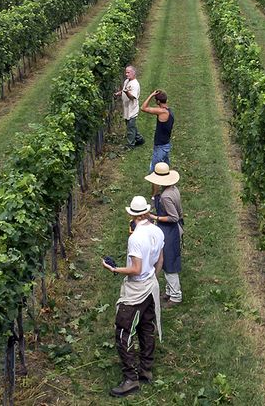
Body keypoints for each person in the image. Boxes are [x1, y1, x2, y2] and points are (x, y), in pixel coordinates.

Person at [103, 196, 165, 397]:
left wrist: (114, 269)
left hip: (136, 290)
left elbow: (136, 269)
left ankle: (130, 379)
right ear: (146, 212)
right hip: (150, 287)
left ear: (131, 214)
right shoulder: (157, 230)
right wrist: (152, 278)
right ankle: (146, 369)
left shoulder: (135, 238)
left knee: (123, 331)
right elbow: (160, 260)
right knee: (147, 327)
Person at [146, 162, 184, 305]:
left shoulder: (165, 197)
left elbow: (173, 217)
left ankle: (175, 295)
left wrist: (155, 217)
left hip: (169, 230)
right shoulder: (173, 189)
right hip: (172, 229)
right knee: (169, 260)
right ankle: (169, 291)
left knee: (169, 263)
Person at [141, 89, 173, 172]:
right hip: (166, 143)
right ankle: (170, 185)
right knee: (166, 169)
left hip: (160, 146)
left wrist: (151, 95)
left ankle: (158, 185)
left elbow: (143, 108)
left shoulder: (162, 112)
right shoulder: (168, 111)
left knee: (154, 172)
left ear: (158, 101)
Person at [114, 66, 145, 148]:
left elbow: (132, 97)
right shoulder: (127, 81)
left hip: (132, 109)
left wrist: (126, 92)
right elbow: (124, 91)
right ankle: (140, 139)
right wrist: (119, 93)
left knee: (130, 128)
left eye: (128, 72)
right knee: (131, 126)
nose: (126, 74)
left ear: (133, 73)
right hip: (127, 108)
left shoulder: (135, 84)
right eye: (126, 72)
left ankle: (130, 145)